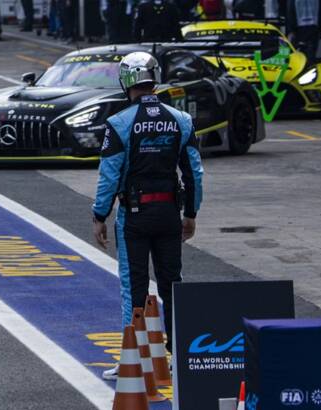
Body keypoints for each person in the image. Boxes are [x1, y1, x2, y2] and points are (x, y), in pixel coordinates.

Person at [92, 51, 203, 380]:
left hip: (135, 216)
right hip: (170, 213)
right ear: (154, 78)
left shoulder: (119, 123)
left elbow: (109, 176)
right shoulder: (181, 120)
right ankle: (177, 357)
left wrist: (99, 215)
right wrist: (192, 213)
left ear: (127, 81)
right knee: (172, 284)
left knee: (134, 287)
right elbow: (194, 172)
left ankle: (135, 359)